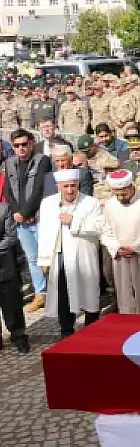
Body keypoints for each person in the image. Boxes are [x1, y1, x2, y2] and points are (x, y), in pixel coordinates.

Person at [37, 168, 103, 339]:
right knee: (63, 294)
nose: (69, 190)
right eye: (65, 186)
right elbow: (44, 231)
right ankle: (66, 331)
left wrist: (74, 221)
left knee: (89, 293)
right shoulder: (48, 203)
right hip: (59, 256)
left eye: (73, 186)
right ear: (58, 186)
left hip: (84, 255)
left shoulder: (91, 203)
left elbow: (99, 227)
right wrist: (44, 259)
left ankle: (92, 331)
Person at [101, 169, 140, 316]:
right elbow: (106, 230)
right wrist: (117, 248)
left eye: (123, 194)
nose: (120, 198)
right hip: (121, 257)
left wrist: (136, 248)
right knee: (125, 295)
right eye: (117, 195)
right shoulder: (110, 205)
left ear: (131, 187)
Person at [3, 128, 51, 312]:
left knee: (47, 257)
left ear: (31, 144)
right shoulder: (10, 163)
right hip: (21, 220)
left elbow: (39, 189)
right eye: (16, 146)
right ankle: (41, 294)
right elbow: (8, 190)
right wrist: (17, 213)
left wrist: (26, 212)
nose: (21, 148)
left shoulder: (42, 160)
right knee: (32, 259)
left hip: (38, 218)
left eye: (24, 144)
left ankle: (57, 293)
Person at [0, 196, 29, 352]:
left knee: (12, 304)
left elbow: (11, 237)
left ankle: (18, 335)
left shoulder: (4, 209)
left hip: (5, 265)